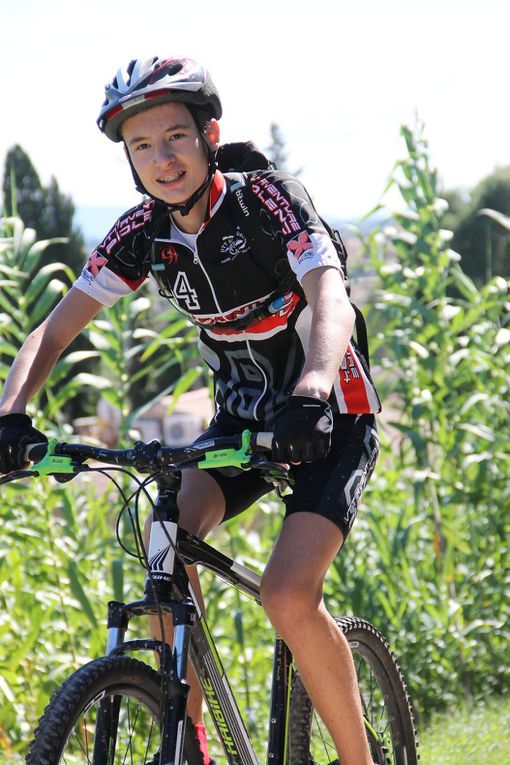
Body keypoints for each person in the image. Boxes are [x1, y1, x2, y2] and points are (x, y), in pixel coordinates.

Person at [0, 56, 381, 764]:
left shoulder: (267, 203)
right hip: (239, 423)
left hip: (326, 416)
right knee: (163, 540)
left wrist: (315, 389)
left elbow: (330, 292)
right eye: (142, 146)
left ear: (210, 134)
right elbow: (52, 331)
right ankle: (190, 743)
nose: (161, 158)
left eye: (174, 136)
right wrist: (11, 415)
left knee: (288, 595)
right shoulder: (142, 233)